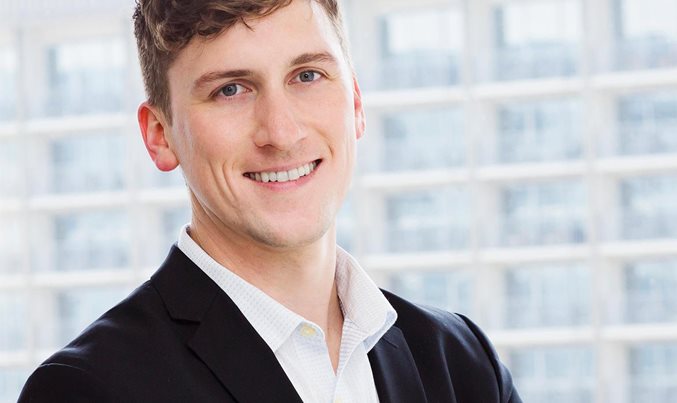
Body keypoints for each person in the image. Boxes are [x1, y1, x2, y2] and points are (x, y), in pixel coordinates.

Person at [19, 0, 522, 402]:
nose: (281, 133)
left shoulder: (461, 362)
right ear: (160, 135)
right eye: (231, 90)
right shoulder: (88, 389)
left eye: (307, 76)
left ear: (355, 103)